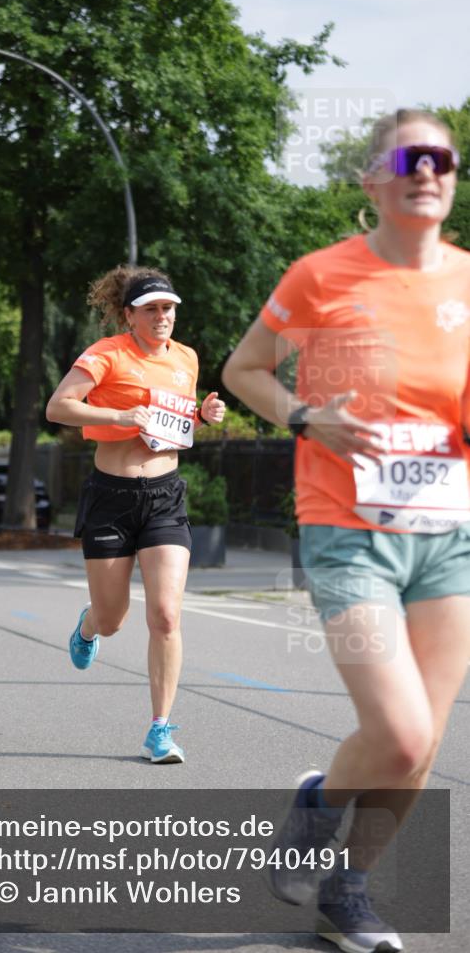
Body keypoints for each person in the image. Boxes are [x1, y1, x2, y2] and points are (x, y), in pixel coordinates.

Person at [222, 109, 470, 953]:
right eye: (408, 155)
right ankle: (315, 806)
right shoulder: (321, 275)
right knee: (396, 731)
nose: (426, 168)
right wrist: (301, 417)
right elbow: (242, 368)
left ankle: (347, 893)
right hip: (346, 526)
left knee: (421, 744)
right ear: (371, 180)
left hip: (448, 533)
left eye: (441, 156)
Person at [46, 266, 225, 763]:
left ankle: (160, 729)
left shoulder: (185, 358)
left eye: (168, 308)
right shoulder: (105, 354)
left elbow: (171, 420)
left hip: (166, 496)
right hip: (112, 497)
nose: (163, 317)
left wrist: (201, 415)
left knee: (166, 615)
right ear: (130, 315)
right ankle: (88, 625)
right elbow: (59, 407)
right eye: (152, 309)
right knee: (113, 618)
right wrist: (117, 417)